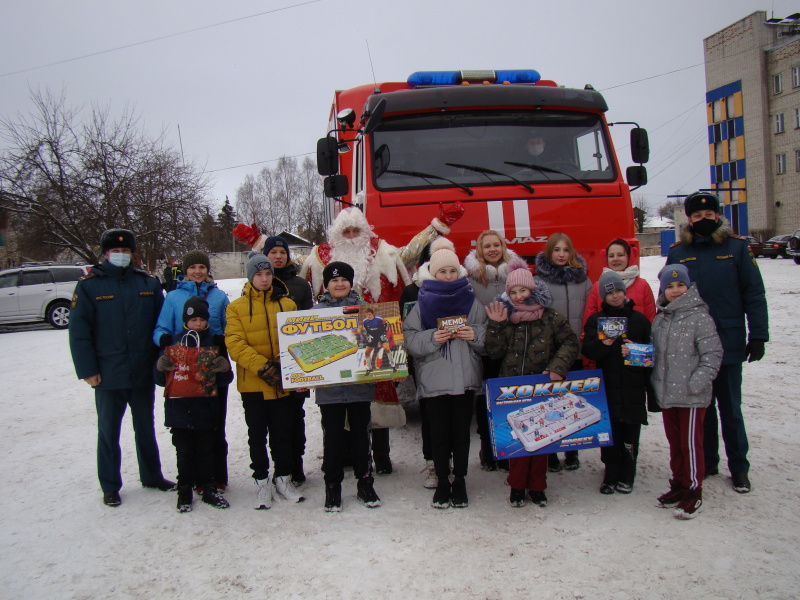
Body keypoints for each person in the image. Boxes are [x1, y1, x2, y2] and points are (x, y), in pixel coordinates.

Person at [233, 204, 464, 475]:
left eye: (357, 230)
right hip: (336, 336)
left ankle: (381, 456)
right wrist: (258, 242)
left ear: (365, 231)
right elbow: (287, 258)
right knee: (338, 399)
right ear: (337, 233)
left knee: (378, 393)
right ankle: (343, 455)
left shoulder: (383, 250)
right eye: (347, 230)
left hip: (376, 335)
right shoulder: (321, 255)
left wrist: (437, 226)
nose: (352, 235)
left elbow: (411, 251)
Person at [666, 191, 768, 494]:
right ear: (690, 219)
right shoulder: (678, 252)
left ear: (717, 216)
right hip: (690, 346)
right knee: (702, 407)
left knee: (731, 410)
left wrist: (759, 334)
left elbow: (754, 293)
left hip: (727, 342)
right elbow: (668, 297)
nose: (703, 220)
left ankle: (739, 467)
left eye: (708, 215)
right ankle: (708, 460)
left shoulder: (736, 249)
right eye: (697, 216)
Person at [68, 228, 175, 507]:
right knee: (108, 431)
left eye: (126, 251)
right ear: (105, 254)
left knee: (145, 427)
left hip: (141, 369)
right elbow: (79, 332)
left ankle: (152, 475)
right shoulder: (89, 286)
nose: (121, 255)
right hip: (107, 372)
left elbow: (159, 325)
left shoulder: (148, 283)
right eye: (116, 251)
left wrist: (162, 361)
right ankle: (110, 485)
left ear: (132, 254)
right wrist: (88, 370)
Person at [484, 259, 579, 508]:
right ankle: (516, 487)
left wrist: (558, 367)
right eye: (512, 292)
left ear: (533, 290)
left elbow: (570, 342)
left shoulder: (550, 317)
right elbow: (494, 352)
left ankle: (537, 487)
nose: (517, 296)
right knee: (518, 441)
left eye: (522, 291)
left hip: (543, 388)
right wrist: (495, 325)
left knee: (542, 440)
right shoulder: (507, 316)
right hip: (513, 388)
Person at [404, 245, 487, 509]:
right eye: (443, 271)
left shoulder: (471, 301)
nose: (449, 276)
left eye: (453, 270)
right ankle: (442, 481)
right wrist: (431, 337)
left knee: (461, 435)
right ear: (433, 273)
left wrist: (475, 335)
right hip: (434, 381)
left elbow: (487, 335)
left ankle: (459, 480)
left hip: (464, 379)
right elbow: (410, 340)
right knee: (439, 434)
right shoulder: (421, 303)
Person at [225, 252, 304, 509]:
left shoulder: (288, 305)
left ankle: (283, 478)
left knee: (283, 433)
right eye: (258, 274)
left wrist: (288, 368)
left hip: (282, 382)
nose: (264, 278)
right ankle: (261, 480)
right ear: (250, 277)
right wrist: (265, 367)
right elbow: (235, 344)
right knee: (257, 435)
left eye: (268, 273)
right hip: (254, 384)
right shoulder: (235, 307)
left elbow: (298, 341)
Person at [153, 250, 231, 492]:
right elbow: (160, 327)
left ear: (208, 270)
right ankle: (193, 476)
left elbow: (231, 327)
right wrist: (164, 340)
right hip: (183, 366)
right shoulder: (174, 297)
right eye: (192, 267)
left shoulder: (218, 296)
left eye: (202, 267)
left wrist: (224, 341)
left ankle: (216, 476)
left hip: (212, 363)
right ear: (185, 271)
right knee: (188, 425)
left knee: (215, 422)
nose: (197, 271)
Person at [651, 264, 722, 519]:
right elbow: (654, 353)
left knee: (691, 444)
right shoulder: (660, 318)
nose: (676, 290)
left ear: (688, 286)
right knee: (675, 443)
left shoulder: (699, 317)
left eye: (680, 285)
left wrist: (697, 383)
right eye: (670, 287)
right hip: (668, 394)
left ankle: (694, 489)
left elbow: (712, 354)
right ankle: (679, 484)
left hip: (691, 395)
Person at [314, 261, 381, 512]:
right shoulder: (315, 311)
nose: (339, 284)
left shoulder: (366, 310)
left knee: (361, 437)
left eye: (343, 279)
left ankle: (365, 483)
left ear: (350, 283)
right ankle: (333, 486)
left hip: (359, 386)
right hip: (329, 390)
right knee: (332, 439)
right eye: (334, 281)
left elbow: (379, 342)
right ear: (326, 285)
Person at [582, 271, 652, 495]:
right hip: (609, 388)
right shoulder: (596, 320)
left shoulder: (639, 320)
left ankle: (627, 474)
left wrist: (636, 351)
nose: (615, 295)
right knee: (609, 434)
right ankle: (610, 473)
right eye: (610, 292)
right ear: (603, 295)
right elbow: (589, 350)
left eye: (619, 290)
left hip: (633, 389)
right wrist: (605, 343)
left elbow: (651, 355)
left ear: (625, 292)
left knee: (631, 435)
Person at [464, 229, 522, 472]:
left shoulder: (517, 273)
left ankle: (509, 450)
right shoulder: (470, 278)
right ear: (480, 250)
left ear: (504, 247)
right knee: (485, 401)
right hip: (484, 348)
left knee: (511, 399)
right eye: (487, 246)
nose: (492, 250)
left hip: (513, 348)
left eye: (496, 245)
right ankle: (488, 450)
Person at [535, 232, 592, 472]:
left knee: (574, 403)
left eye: (565, 250)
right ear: (549, 253)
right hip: (551, 353)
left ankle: (572, 450)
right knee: (550, 405)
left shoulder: (584, 281)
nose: (561, 254)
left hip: (576, 352)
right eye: (556, 250)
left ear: (572, 253)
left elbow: (591, 312)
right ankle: (550, 454)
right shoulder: (539, 281)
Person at [261, 235, 314, 486]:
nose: (279, 256)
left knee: (295, 415)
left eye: (282, 252)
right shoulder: (259, 282)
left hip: (296, 360)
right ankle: (281, 465)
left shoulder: (301, 285)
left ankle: (297, 463)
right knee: (275, 420)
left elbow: (310, 324)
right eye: (273, 252)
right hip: (270, 362)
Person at [582, 238, 656, 325]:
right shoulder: (598, 286)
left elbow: (651, 319)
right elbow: (589, 322)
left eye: (620, 255)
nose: (615, 259)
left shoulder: (643, 285)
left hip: (635, 338)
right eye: (611, 256)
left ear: (629, 256)